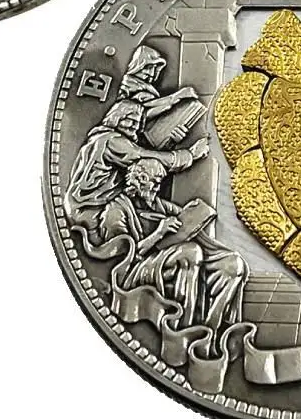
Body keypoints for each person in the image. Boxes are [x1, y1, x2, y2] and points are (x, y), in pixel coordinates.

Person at [100, 158, 246, 333]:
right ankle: (183, 327)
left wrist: (194, 213)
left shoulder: (157, 204)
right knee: (191, 252)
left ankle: (209, 330)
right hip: (136, 268)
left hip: (163, 260)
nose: (157, 188)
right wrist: (159, 233)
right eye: (155, 183)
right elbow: (121, 258)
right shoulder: (115, 211)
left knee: (233, 264)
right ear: (140, 180)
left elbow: (181, 215)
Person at [63, 101, 208, 237]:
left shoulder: (102, 137)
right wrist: (190, 155)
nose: (135, 127)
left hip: (92, 204)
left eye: (137, 122)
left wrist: (172, 141)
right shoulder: (111, 141)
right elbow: (144, 156)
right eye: (130, 120)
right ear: (116, 118)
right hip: (89, 210)